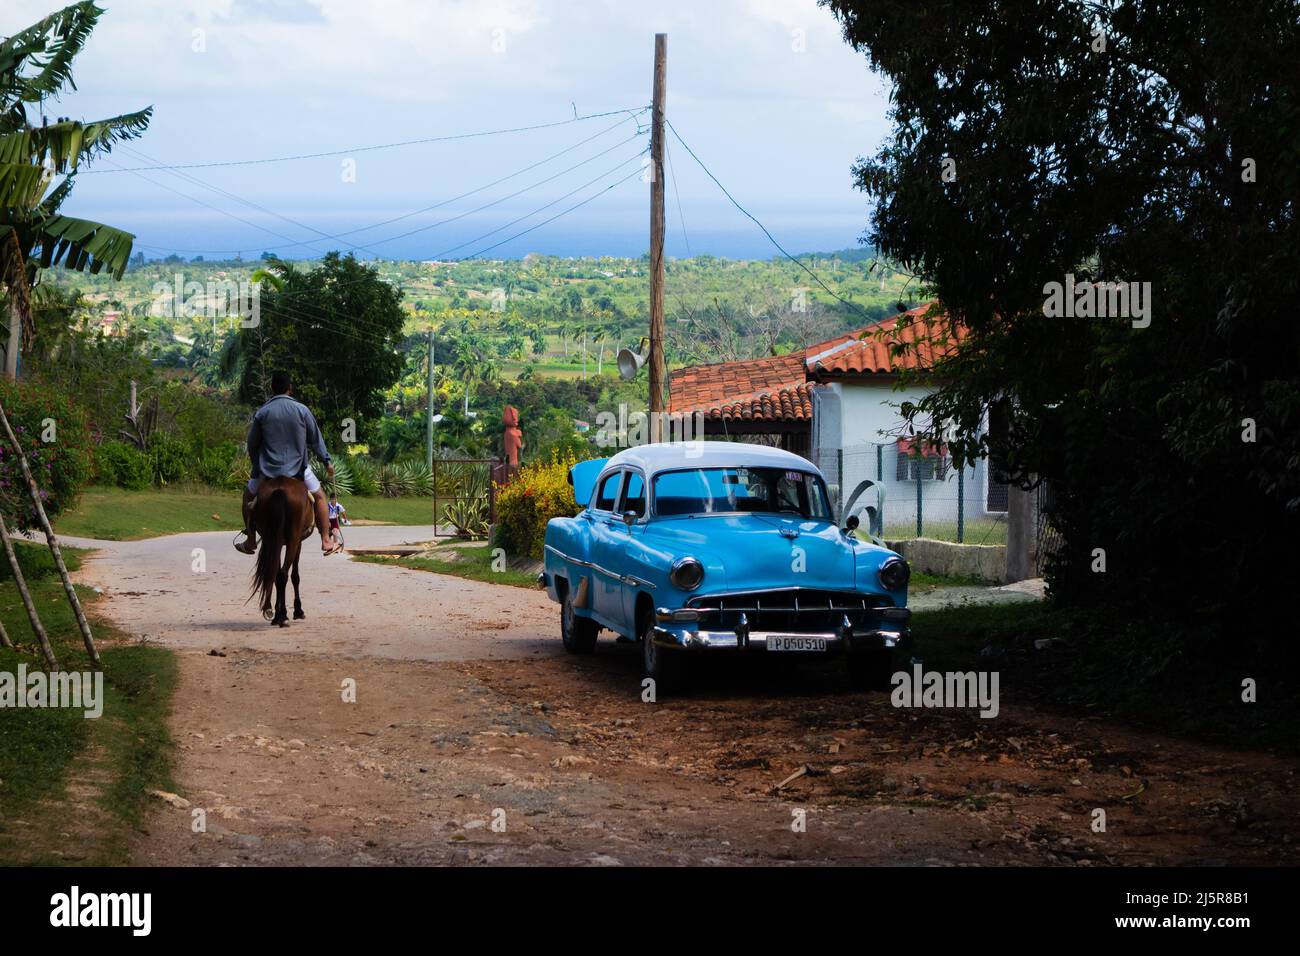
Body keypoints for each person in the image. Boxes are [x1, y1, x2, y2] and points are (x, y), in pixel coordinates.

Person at [235, 371, 340, 556]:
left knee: (247, 498)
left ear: (272, 388)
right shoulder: (302, 410)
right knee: (321, 497)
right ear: (289, 388)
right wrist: (326, 461)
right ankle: (325, 539)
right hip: (298, 470)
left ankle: (251, 539)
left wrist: (257, 465)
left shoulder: (263, 412)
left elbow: (253, 444)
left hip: (267, 471)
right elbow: (316, 439)